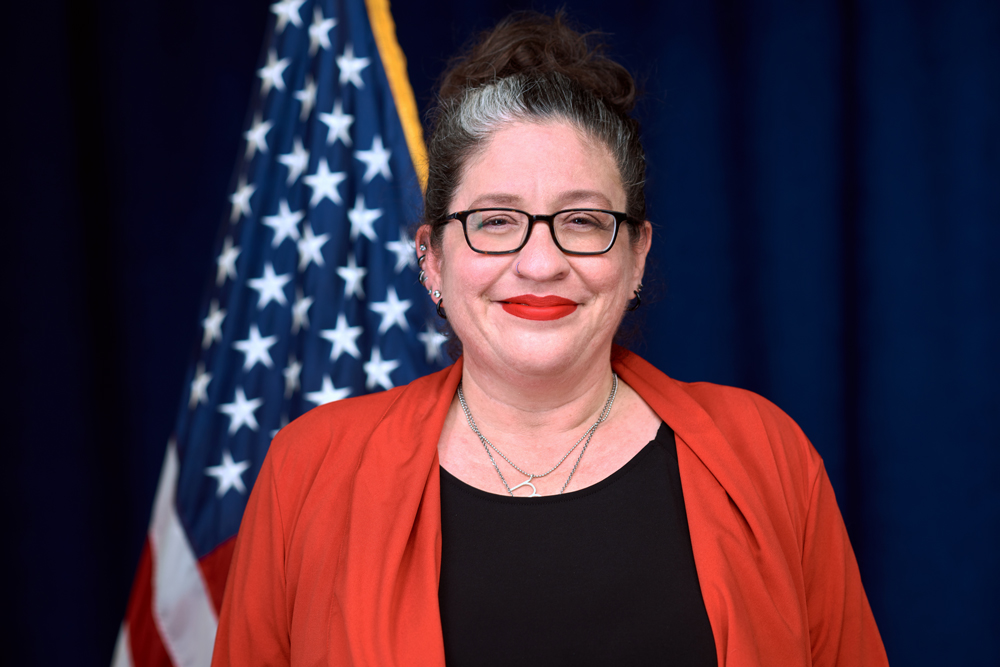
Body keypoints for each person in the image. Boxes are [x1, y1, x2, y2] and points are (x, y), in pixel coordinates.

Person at [212, 12, 888, 667]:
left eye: (584, 220)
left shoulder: (768, 456)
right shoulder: (309, 471)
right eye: (497, 220)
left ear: (637, 256)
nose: (541, 262)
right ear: (433, 259)